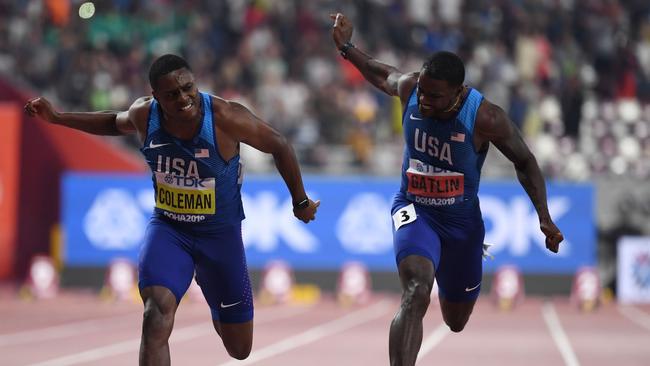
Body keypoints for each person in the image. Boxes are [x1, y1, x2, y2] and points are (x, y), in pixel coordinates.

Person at [24, 54, 320, 365]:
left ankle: (213, 291)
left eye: (188, 88)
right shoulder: (144, 115)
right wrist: (57, 118)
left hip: (220, 237)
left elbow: (280, 144)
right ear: (156, 97)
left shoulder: (225, 117)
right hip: (170, 230)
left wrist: (300, 201)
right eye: (172, 95)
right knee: (155, 315)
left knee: (239, 348)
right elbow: (113, 121)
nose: (183, 98)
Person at [330, 13, 564, 366]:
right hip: (414, 209)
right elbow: (382, 74)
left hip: (461, 225)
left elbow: (526, 162)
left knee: (456, 321)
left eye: (435, 96)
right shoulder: (412, 89)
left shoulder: (485, 117)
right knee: (416, 290)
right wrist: (346, 47)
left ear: (458, 93)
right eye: (423, 91)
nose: (424, 100)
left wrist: (544, 216)